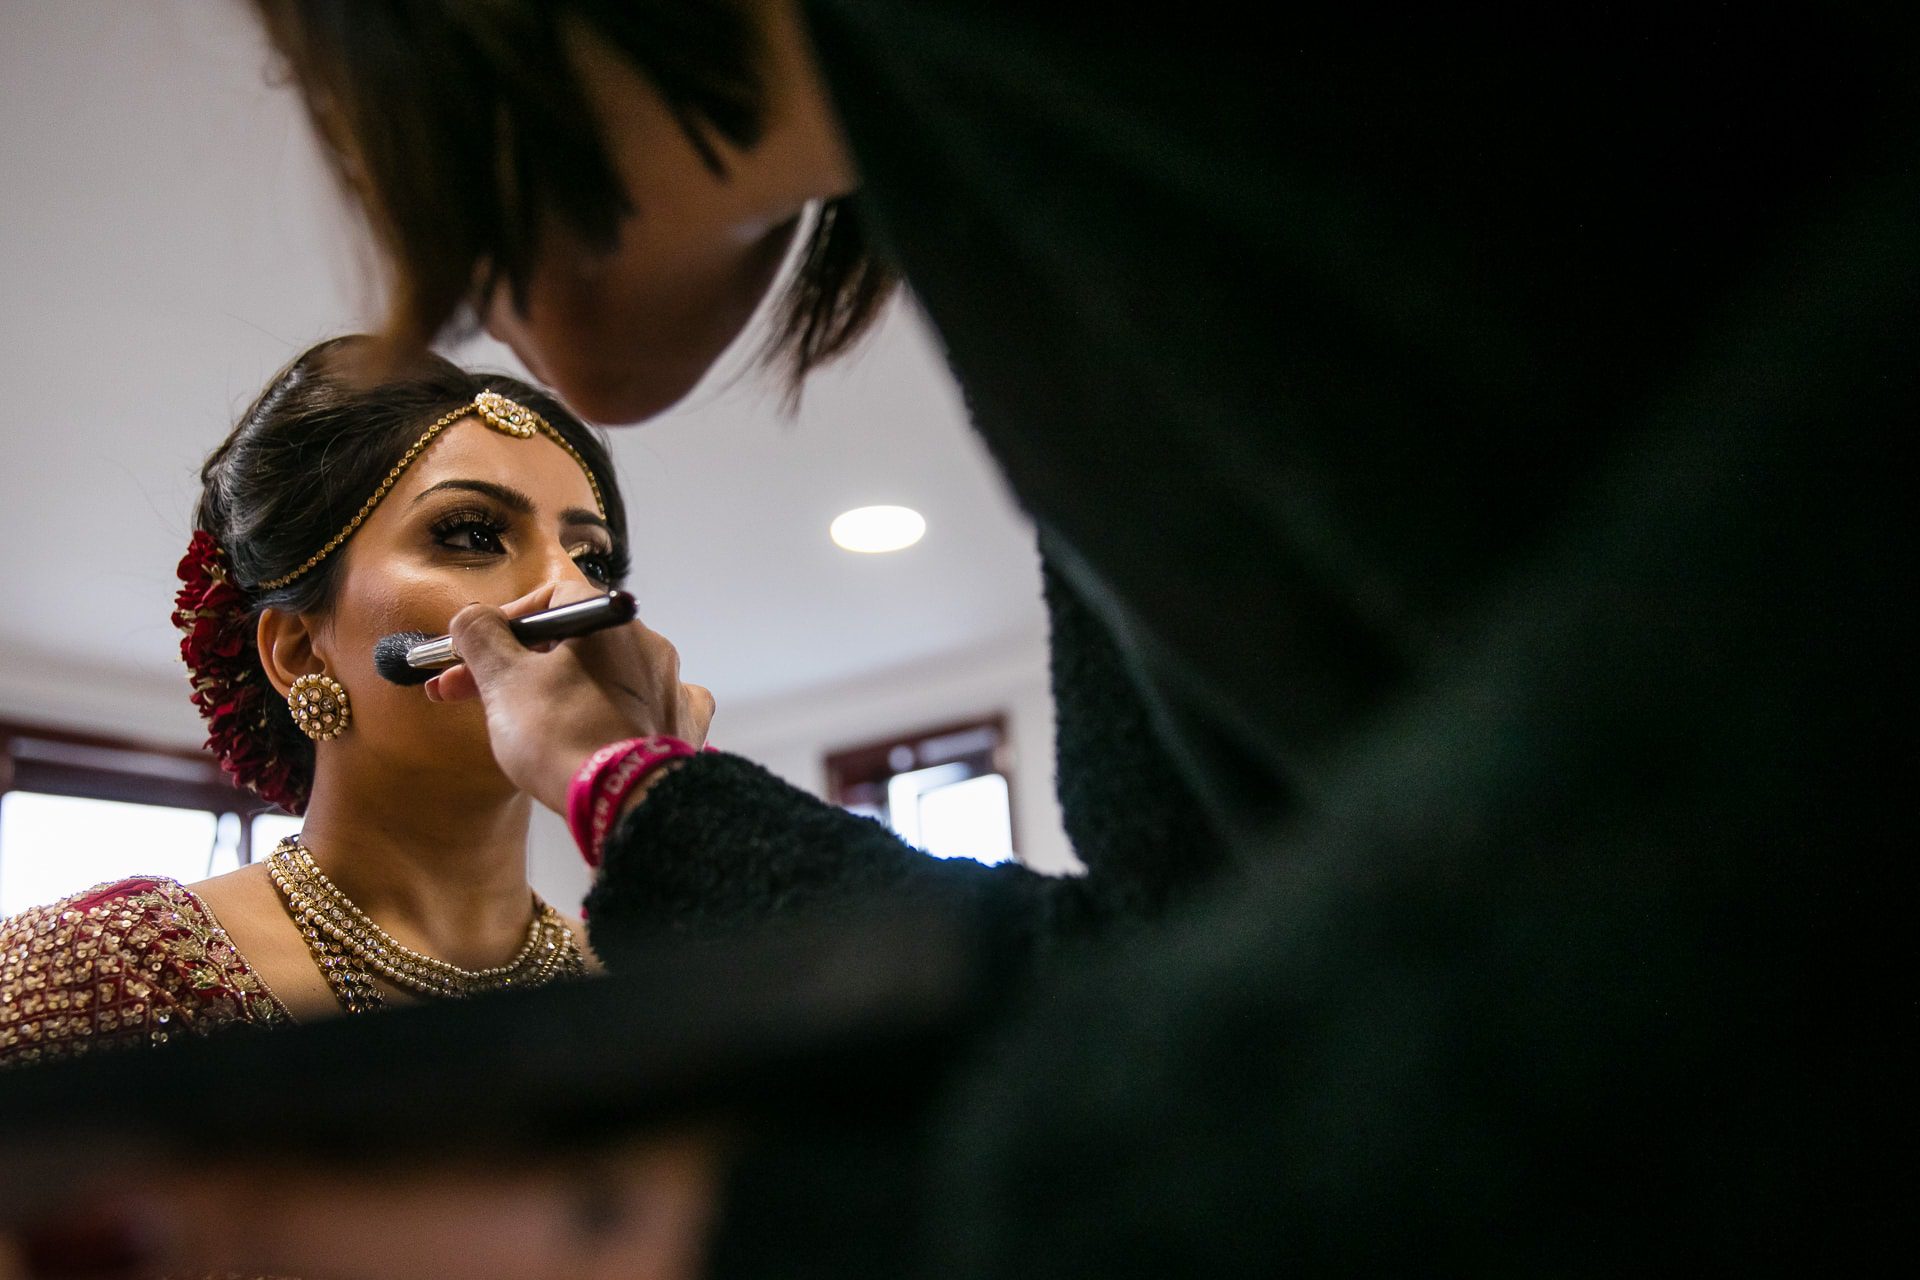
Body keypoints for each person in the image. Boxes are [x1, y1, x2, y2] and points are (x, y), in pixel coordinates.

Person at [8, 3, 1912, 1276]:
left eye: (588, 543)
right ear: (300, 655)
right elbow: (1214, 976)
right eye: (470, 534)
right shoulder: (82, 983)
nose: (556, 590)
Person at [0, 337, 642, 1061]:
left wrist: (666, 805)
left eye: (592, 559)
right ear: (299, 650)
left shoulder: (651, 988)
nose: (574, 592)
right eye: (471, 534)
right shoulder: (108, 976)